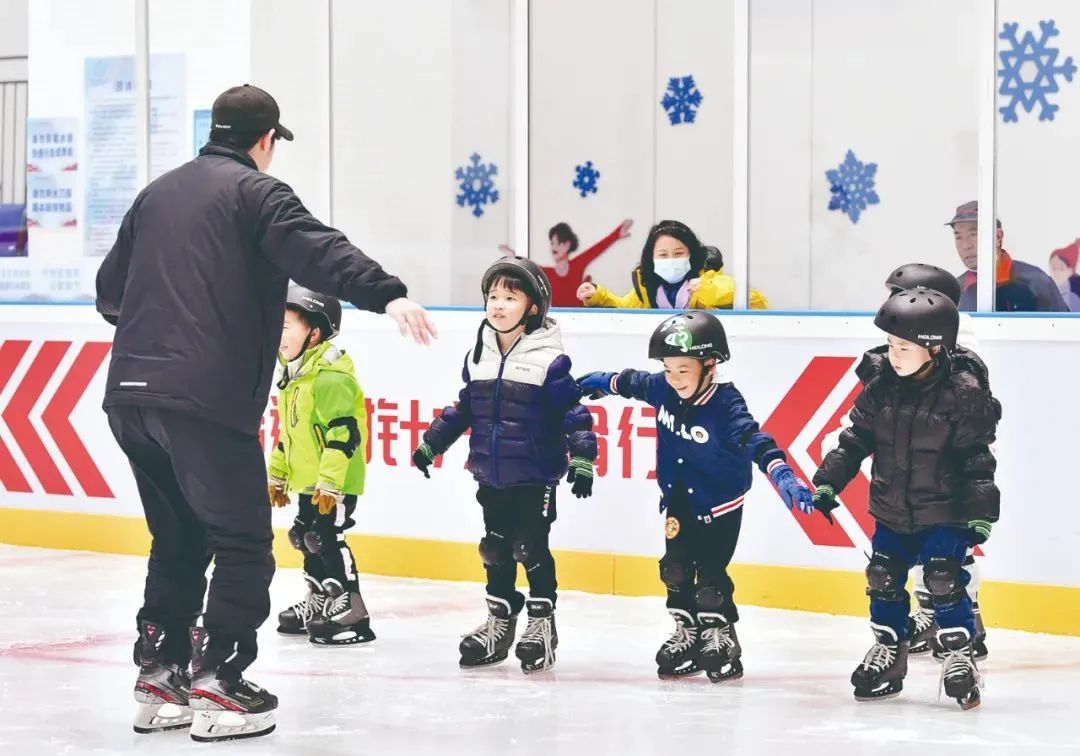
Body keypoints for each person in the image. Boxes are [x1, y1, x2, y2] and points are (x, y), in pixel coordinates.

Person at [96, 84, 436, 742]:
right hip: (205, 400)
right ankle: (221, 679)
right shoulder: (257, 193)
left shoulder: (156, 194)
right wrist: (387, 294)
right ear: (266, 140)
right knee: (243, 540)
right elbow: (319, 249)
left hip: (132, 397)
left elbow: (112, 294)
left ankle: (161, 673)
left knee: (179, 537)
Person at [577, 312, 814, 682]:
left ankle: (720, 633)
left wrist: (780, 472)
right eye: (668, 370)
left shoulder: (725, 404)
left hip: (718, 503)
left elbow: (753, 438)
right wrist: (605, 383)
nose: (674, 379)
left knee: (710, 574)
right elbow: (635, 383)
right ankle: (686, 630)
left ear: (710, 366)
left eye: (683, 371)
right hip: (677, 500)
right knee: (674, 569)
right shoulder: (664, 388)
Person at [812, 288, 1000, 710]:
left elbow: (977, 459)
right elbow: (854, 440)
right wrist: (828, 482)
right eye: (891, 346)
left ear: (934, 348)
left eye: (904, 347)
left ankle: (957, 653)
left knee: (942, 578)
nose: (893, 355)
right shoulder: (881, 387)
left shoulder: (963, 393)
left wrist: (982, 513)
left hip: (945, 512)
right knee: (883, 575)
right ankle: (889, 652)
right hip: (892, 508)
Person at [410, 257, 597, 674]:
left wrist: (583, 457)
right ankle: (499, 622)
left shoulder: (550, 361)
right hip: (491, 471)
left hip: (535, 474)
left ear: (532, 307)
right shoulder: (478, 355)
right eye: (493, 296)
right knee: (495, 548)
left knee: (529, 547)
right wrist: (431, 442)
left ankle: (541, 624)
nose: (497, 305)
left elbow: (573, 412)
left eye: (510, 297)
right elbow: (465, 408)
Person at [269, 285, 374, 646]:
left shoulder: (330, 376)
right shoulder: (295, 375)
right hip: (308, 479)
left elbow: (342, 435)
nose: (277, 333)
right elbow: (290, 433)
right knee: (304, 536)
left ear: (314, 331)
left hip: (335, 481)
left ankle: (352, 605)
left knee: (325, 537)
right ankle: (320, 600)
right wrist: (278, 474)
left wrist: (330, 484)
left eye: (285, 326)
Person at [576, 220, 769, 310]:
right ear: (651, 259)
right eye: (662, 255)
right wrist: (597, 294)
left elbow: (757, 302)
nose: (670, 260)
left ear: (691, 254)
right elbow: (623, 308)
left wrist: (707, 292)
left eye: (678, 254)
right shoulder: (647, 288)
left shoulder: (710, 280)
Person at [946, 200, 1066, 312]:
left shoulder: (1035, 282)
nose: (966, 245)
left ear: (998, 237)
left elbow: (1065, 330)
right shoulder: (954, 291)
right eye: (958, 237)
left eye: (974, 234)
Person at [499, 219, 633, 307]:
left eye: (559, 243)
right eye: (552, 243)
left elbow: (596, 249)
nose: (554, 247)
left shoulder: (577, 265)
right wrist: (512, 256)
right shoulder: (546, 273)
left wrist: (617, 234)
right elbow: (526, 266)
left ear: (568, 244)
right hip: (560, 324)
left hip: (580, 320)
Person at [1048, 241, 1080, 312]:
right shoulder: (1043, 292)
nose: (1056, 272)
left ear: (1070, 271)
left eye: (1061, 268)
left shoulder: (1073, 299)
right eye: (1053, 267)